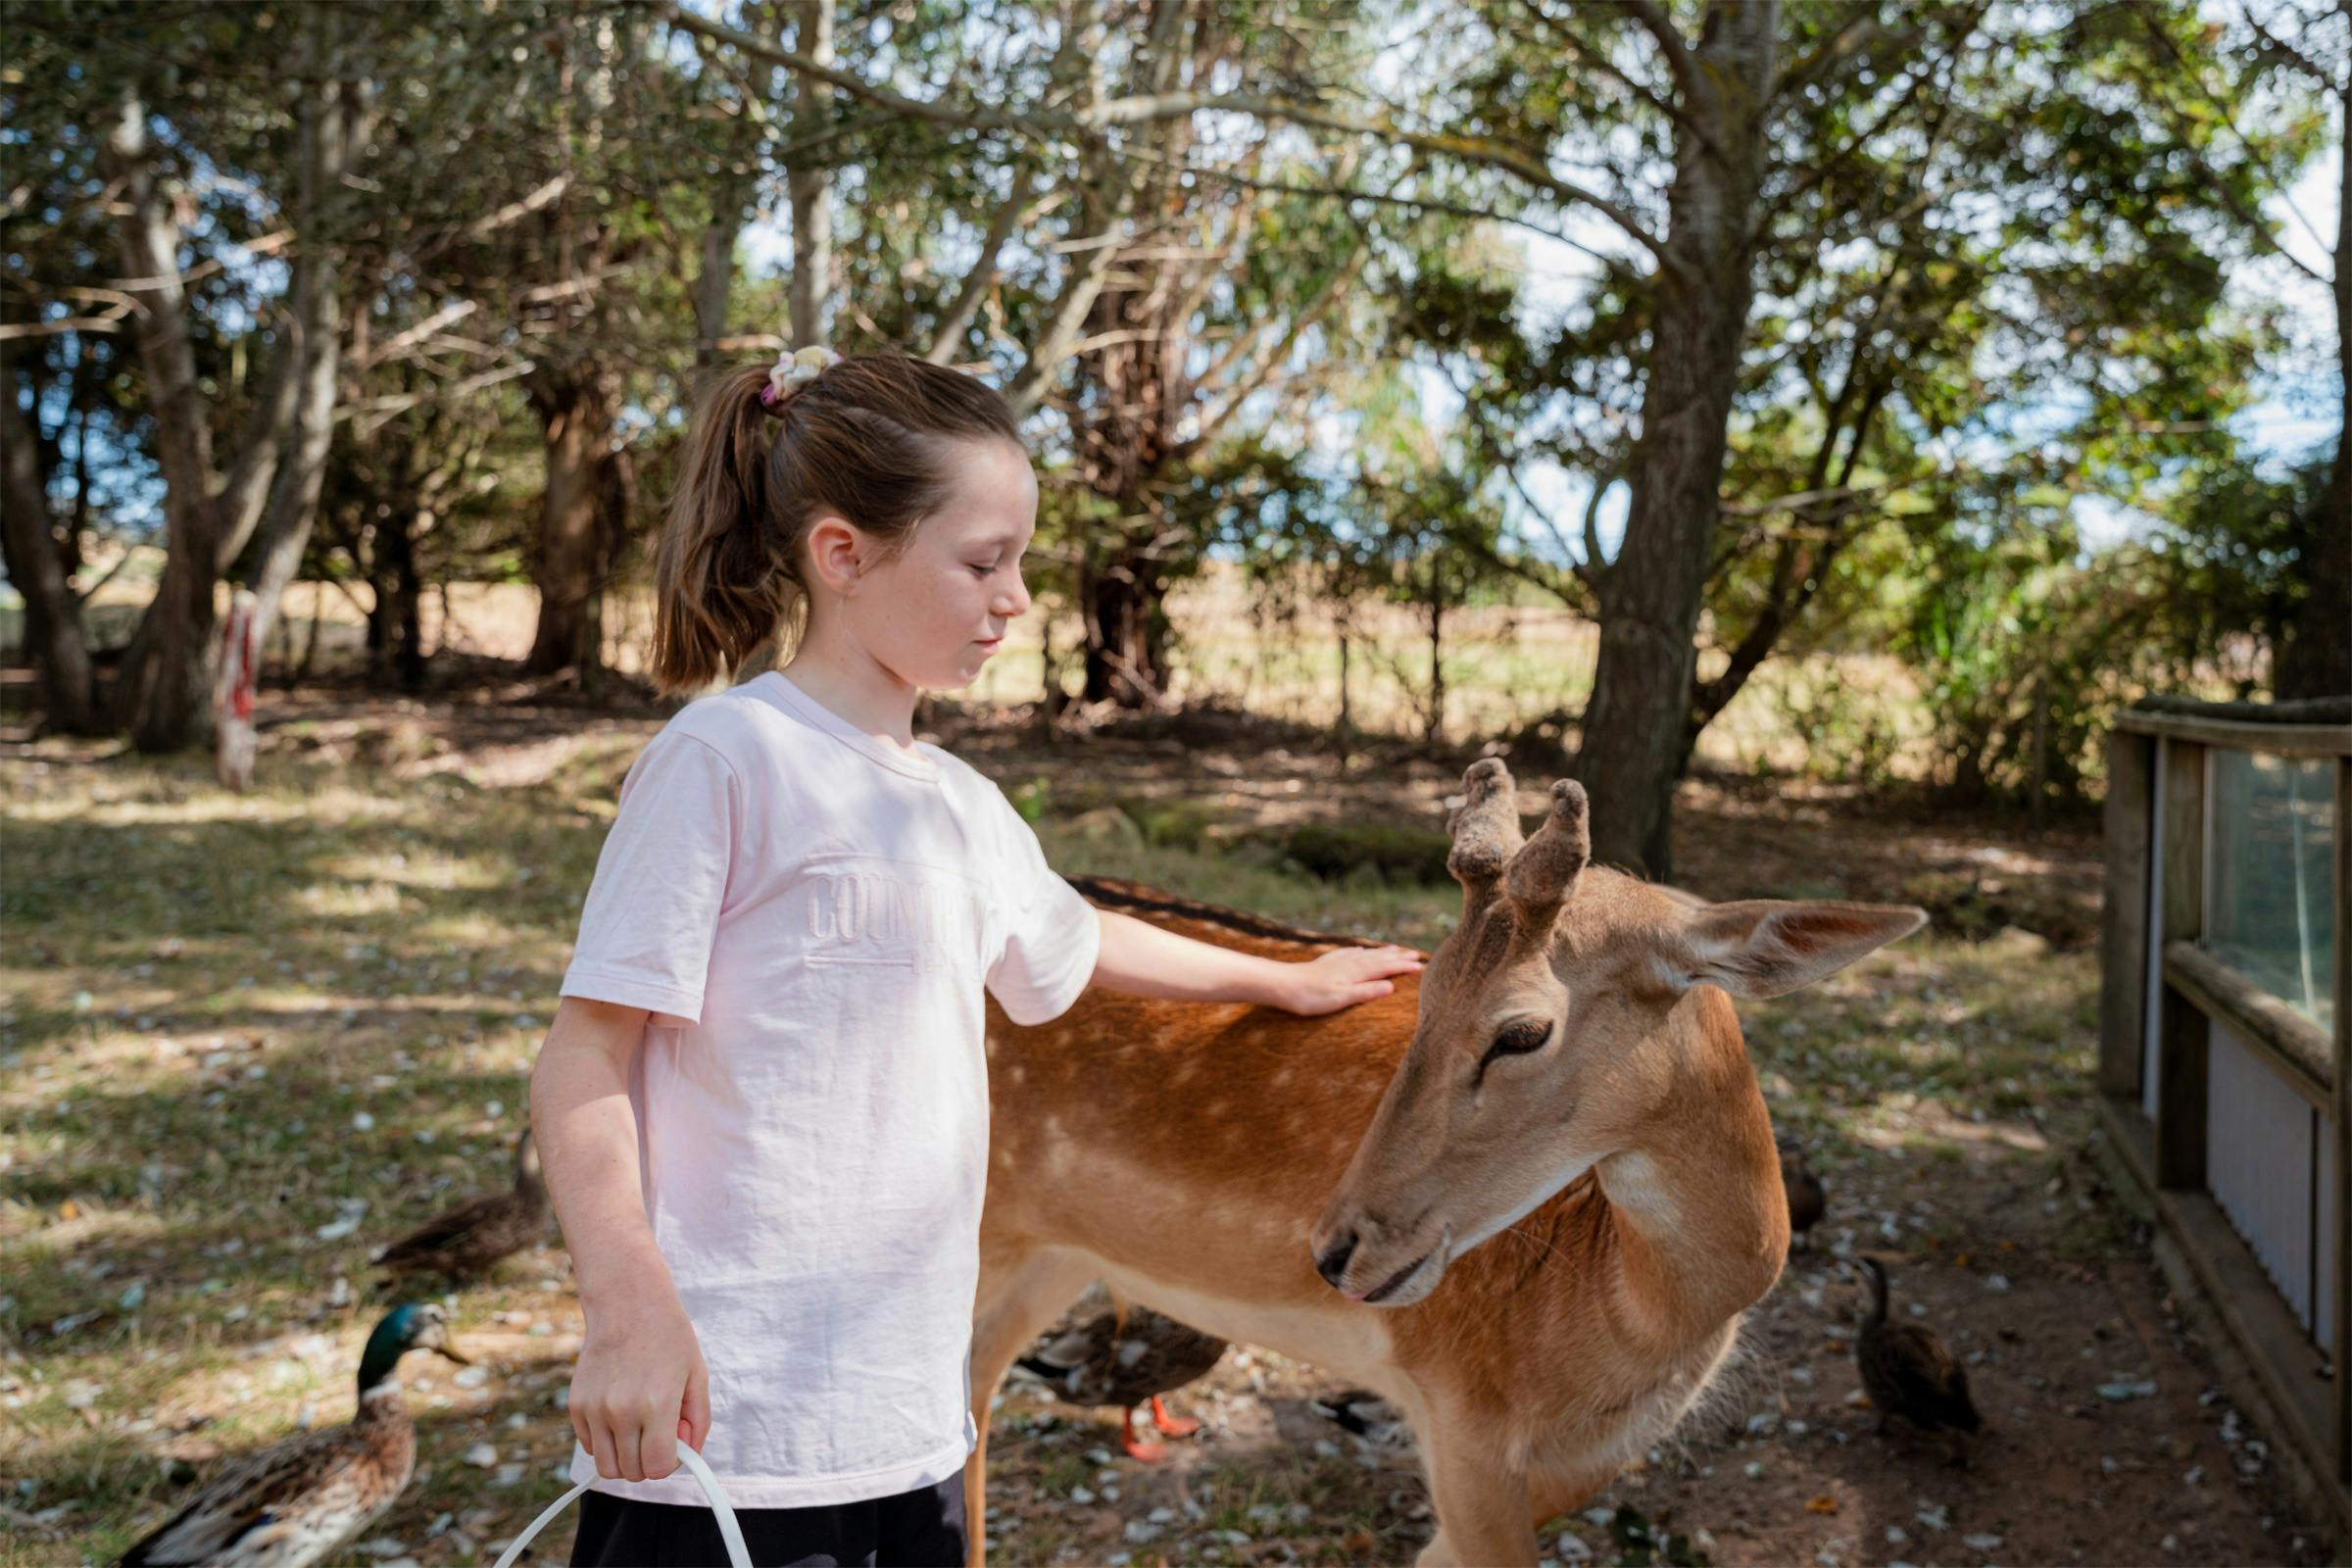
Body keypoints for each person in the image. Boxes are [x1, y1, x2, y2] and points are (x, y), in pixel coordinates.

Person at [529, 345, 1423, 1567]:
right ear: (842, 556)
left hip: (909, 1423)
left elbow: (1075, 937)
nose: (1014, 600)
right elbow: (586, 1056)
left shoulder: (957, 803)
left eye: (1020, 564)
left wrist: (1280, 977)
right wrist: (626, 1305)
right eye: (982, 562)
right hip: (723, 1430)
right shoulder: (724, 760)